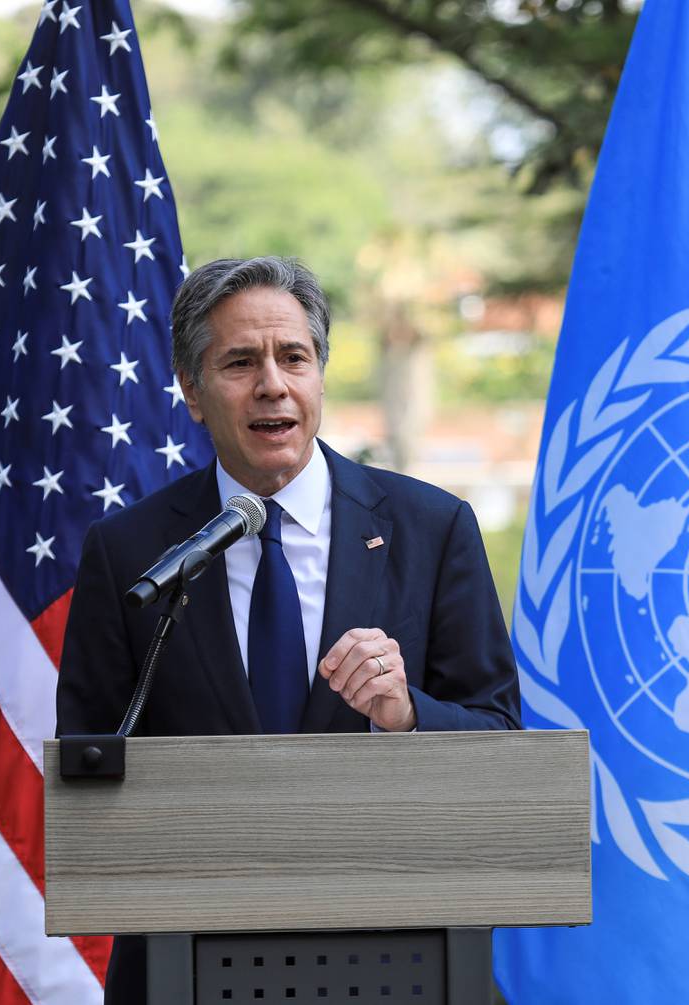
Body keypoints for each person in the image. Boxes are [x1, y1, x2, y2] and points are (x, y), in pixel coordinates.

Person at [56, 257, 521, 1004]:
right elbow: (90, 765)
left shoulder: (431, 529)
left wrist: (405, 717)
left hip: (400, 961)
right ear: (192, 391)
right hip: (190, 968)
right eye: (240, 362)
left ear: (321, 377)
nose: (272, 382)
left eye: (293, 357)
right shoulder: (131, 553)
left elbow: (502, 743)